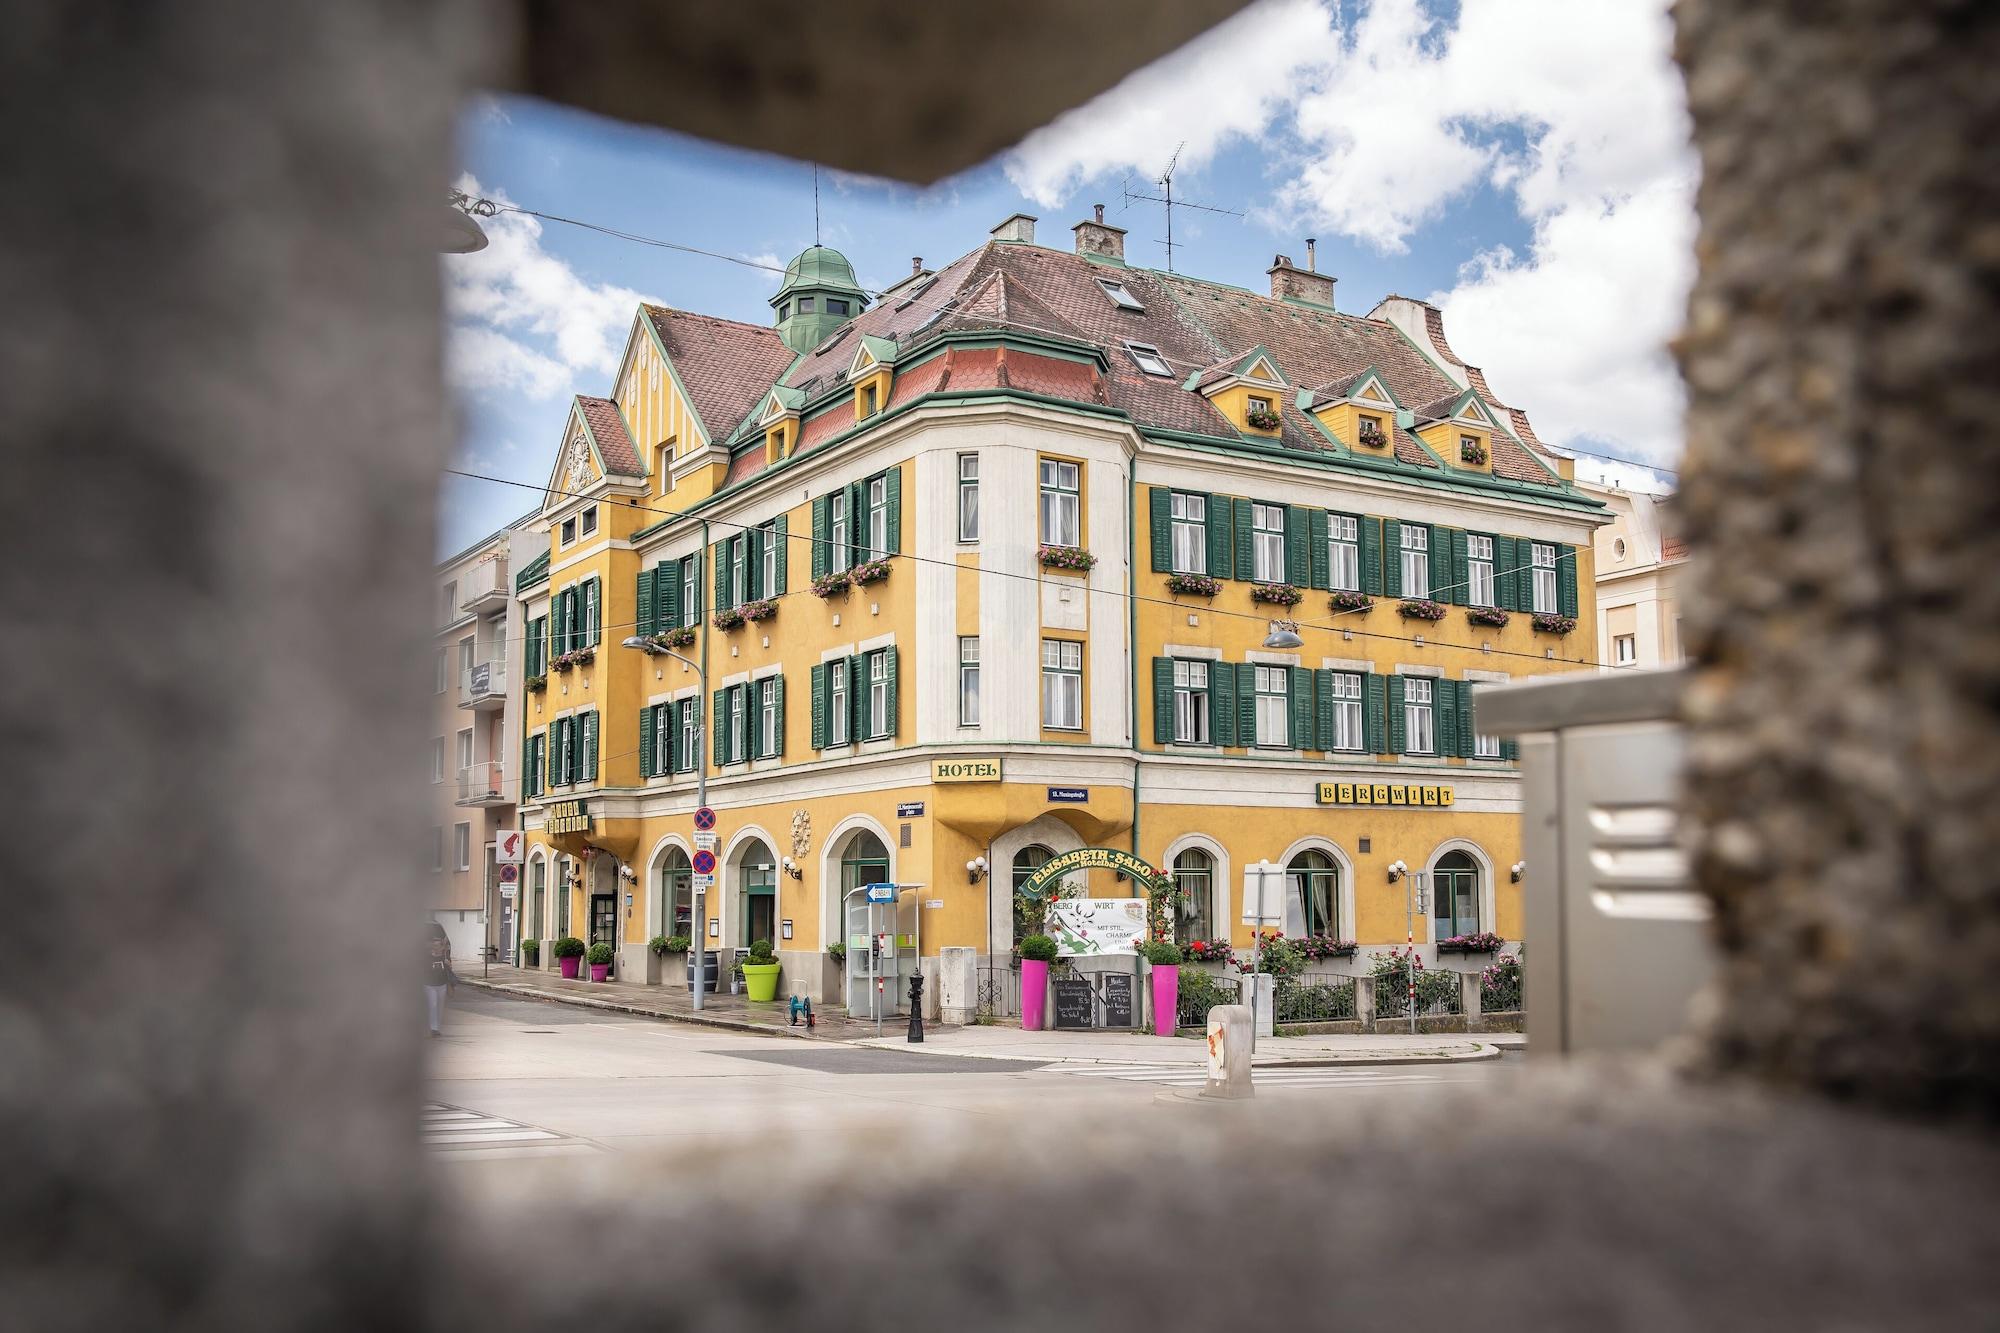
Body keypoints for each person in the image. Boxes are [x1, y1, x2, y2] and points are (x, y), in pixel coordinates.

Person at [424, 929, 457, 1038]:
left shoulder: (445, 958)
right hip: (429, 984)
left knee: (439, 1006)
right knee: (433, 1004)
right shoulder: (427, 957)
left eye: (439, 945)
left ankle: (437, 1027)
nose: (437, 947)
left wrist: (448, 964)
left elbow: (449, 971)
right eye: (435, 945)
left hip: (441, 984)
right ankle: (433, 1028)